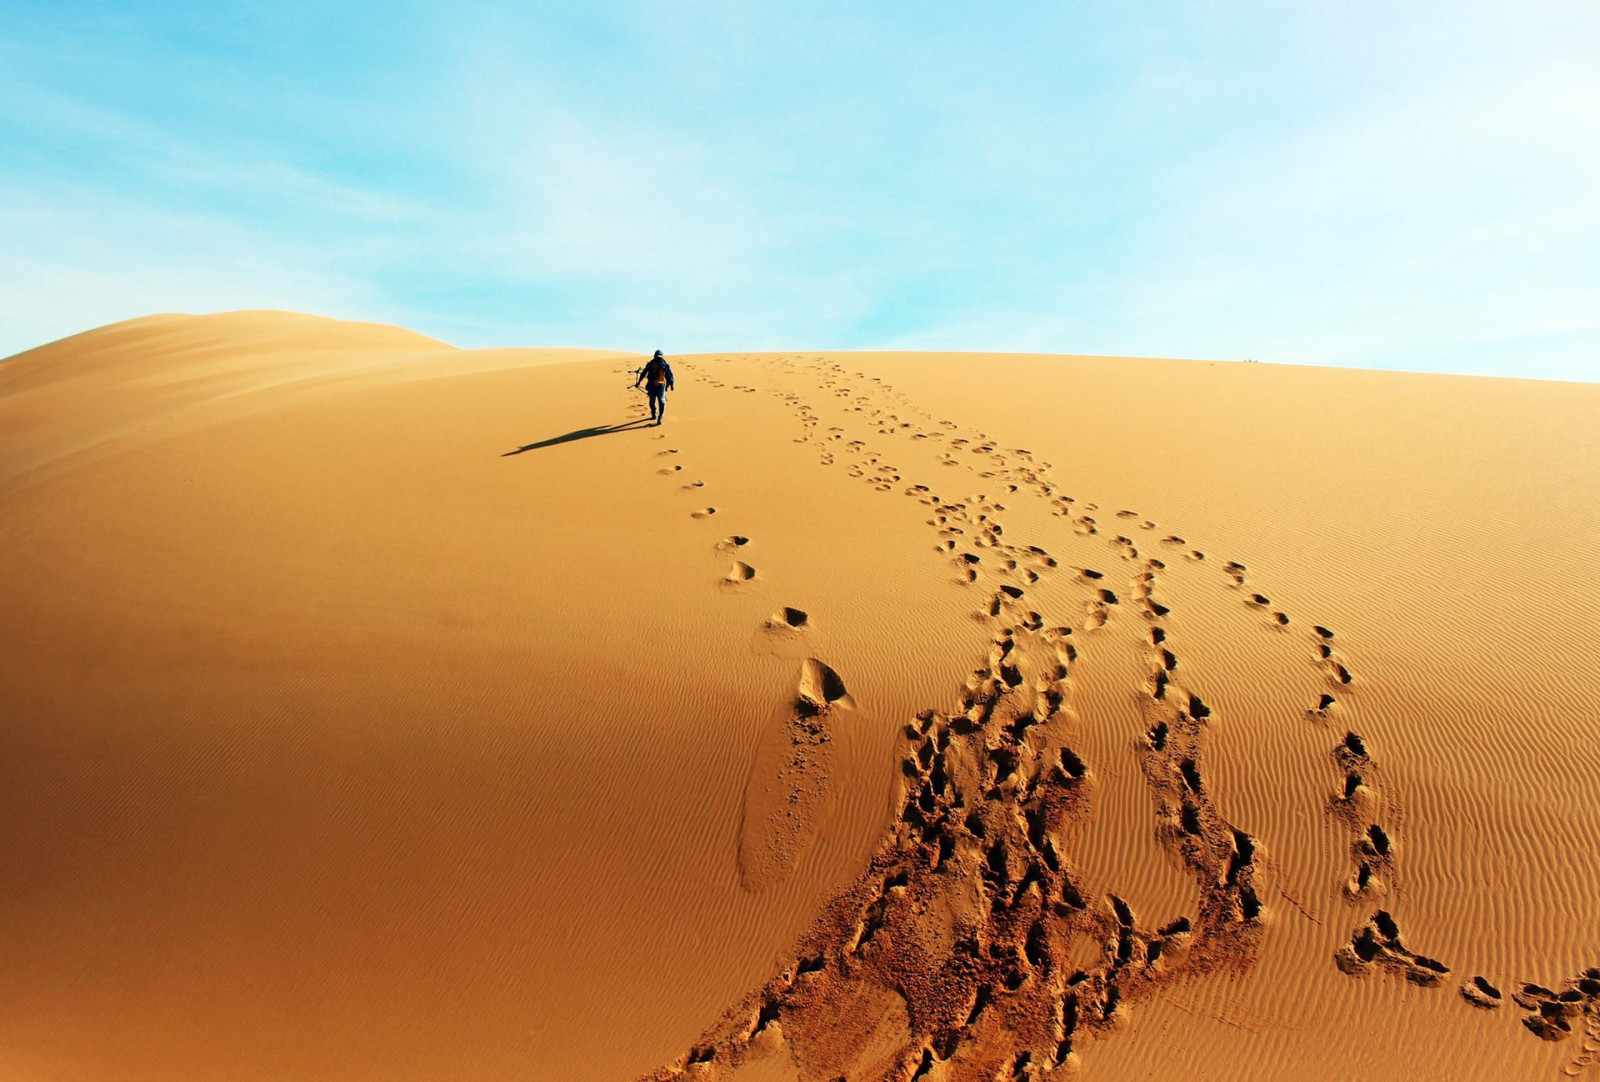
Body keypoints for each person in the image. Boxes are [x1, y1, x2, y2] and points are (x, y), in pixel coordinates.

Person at [634, 349, 674, 425]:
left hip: (661, 385)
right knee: (652, 402)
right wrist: (638, 382)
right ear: (654, 356)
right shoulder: (650, 364)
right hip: (651, 385)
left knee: (662, 401)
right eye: (657, 357)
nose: (658, 358)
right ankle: (653, 413)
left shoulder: (665, 365)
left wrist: (671, 384)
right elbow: (644, 373)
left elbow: (669, 375)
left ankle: (660, 417)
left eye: (659, 357)